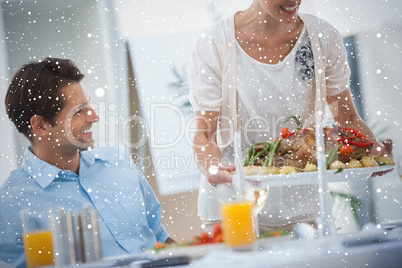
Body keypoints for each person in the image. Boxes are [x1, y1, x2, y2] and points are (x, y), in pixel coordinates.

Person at [189, 0, 393, 233]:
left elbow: (346, 117)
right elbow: (206, 133)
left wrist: (374, 150)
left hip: (304, 200)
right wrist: (212, 168)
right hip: (236, 202)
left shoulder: (323, 37)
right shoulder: (215, 42)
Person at [0, 57, 174, 268]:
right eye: (79, 110)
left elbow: (160, 239)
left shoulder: (117, 159)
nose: (94, 116)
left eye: (88, 104)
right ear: (41, 125)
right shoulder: (12, 202)